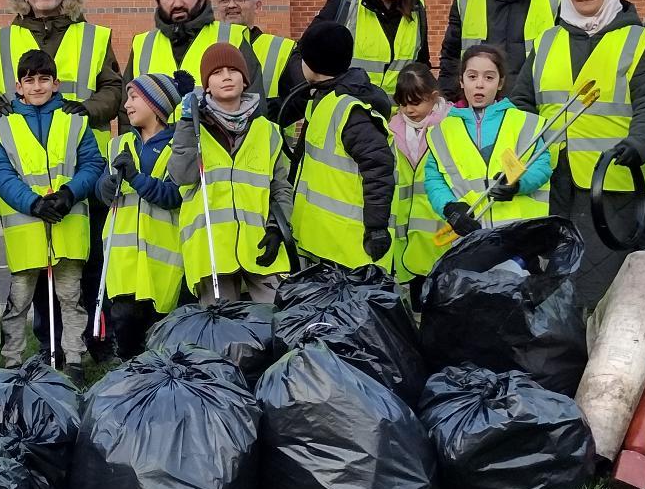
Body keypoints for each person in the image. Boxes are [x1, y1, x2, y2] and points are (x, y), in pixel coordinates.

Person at [509, 0, 645, 306]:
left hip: (612, 178)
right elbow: (522, 104)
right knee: (554, 272)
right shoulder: (547, 40)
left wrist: (640, 143)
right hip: (551, 176)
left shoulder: (636, 40)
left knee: (605, 278)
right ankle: (562, 349)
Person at [0, 49, 106, 379]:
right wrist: (32, 203)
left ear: (55, 84)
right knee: (18, 302)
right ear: (18, 86)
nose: (37, 86)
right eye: (30, 80)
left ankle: (74, 359)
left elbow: (93, 164)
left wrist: (69, 194)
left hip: (67, 225)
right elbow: (1, 173)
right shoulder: (2, 127)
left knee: (71, 298)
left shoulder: (74, 122)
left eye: (43, 80)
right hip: (26, 229)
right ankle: (12, 360)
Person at [168, 43, 294, 305]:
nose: (226, 76)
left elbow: (281, 187)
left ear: (244, 80)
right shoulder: (193, 126)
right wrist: (184, 125)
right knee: (223, 337)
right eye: (216, 73)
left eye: (233, 70)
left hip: (260, 246)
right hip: (212, 251)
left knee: (277, 323)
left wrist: (276, 231)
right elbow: (182, 175)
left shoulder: (267, 130)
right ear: (206, 85)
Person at [284, 21, 397, 269]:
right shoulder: (325, 98)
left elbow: (378, 168)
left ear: (311, 64)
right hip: (330, 244)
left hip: (353, 251)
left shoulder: (349, 110)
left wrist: (377, 228)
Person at [0, 0, 123, 135]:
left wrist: (87, 109)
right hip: (16, 150)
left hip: (82, 150)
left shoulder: (95, 36)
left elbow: (113, 89)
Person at [94, 73, 186, 355]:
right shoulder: (117, 144)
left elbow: (174, 195)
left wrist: (135, 177)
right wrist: (106, 186)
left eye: (134, 98)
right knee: (125, 331)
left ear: (156, 105)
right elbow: (102, 190)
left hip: (162, 264)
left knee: (162, 336)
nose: (127, 105)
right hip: (122, 263)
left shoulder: (178, 147)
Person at [425, 44, 554, 239]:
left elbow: (542, 166)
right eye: (472, 76)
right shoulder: (441, 132)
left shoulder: (523, 122)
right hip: (469, 237)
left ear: (500, 83)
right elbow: (434, 179)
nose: (480, 84)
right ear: (461, 81)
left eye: (489, 77)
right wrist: (449, 207)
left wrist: (519, 185)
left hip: (519, 238)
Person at [127, 0, 258, 88]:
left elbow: (253, 100)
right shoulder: (142, 44)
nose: (177, 3)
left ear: (201, 0)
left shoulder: (232, 36)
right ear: (159, 3)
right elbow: (127, 105)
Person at [389, 64, 451, 296]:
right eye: (403, 103)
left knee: (439, 288)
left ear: (433, 98)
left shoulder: (449, 125)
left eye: (416, 102)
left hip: (437, 222)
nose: (409, 109)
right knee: (413, 281)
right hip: (405, 226)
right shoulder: (393, 128)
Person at [216, 0, 297, 104]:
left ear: (257, 6)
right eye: (224, 0)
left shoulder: (283, 49)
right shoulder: (208, 45)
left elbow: (298, 100)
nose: (231, 5)